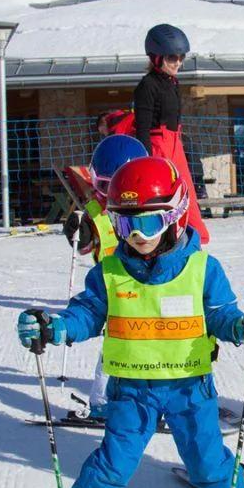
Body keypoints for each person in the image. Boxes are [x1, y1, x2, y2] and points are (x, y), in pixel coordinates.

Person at [16, 155, 244, 488]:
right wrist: (55, 328)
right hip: (132, 391)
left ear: (174, 217)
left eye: (150, 224)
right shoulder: (110, 272)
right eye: (124, 225)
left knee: (209, 462)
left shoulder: (201, 269)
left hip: (190, 388)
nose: (137, 236)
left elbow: (223, 317)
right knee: (113, 463)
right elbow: (85, 315)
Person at [61, 134, 148, 419]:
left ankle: (162, 400)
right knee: (116, 347)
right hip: (115, 289)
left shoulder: (152, 208)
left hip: (155, 288)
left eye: (118, 184)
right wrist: (76, 231)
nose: (111, 194)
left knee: (158, 347)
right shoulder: (95, 212)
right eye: (103, 186)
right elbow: (85, 245)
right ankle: (102, 403)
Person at [133, 24, 210, 245]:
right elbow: (142, 128)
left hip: (175, 144)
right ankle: (164, 238)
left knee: (186, 194)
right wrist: (146, 161)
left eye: (181, 57)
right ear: (156, 58)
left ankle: (195, 239)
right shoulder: (147, 86)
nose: (178, 62)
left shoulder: (173, 82)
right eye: (172, 58)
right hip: (158, 147)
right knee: (166, 195)